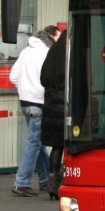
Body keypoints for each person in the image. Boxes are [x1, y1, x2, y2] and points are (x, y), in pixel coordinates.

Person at [10, 25, 60, 197]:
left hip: (25, 102)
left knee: (38, 141)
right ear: (51, 36)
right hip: (39, 102)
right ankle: (21, 182)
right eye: (58, 36)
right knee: (35, 141)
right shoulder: (48, 53)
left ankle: (45, 181)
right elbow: (49, 77)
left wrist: (25, 90)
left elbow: (13, 76)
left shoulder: (25, 51)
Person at [40, 28, 67, 200]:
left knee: (56, 147)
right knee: (70, 145)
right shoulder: (69, 54)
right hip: (65, 107)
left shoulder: (52, 52)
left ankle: (52, 183)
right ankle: (65, 182)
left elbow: (43, 79)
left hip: (50, 106)